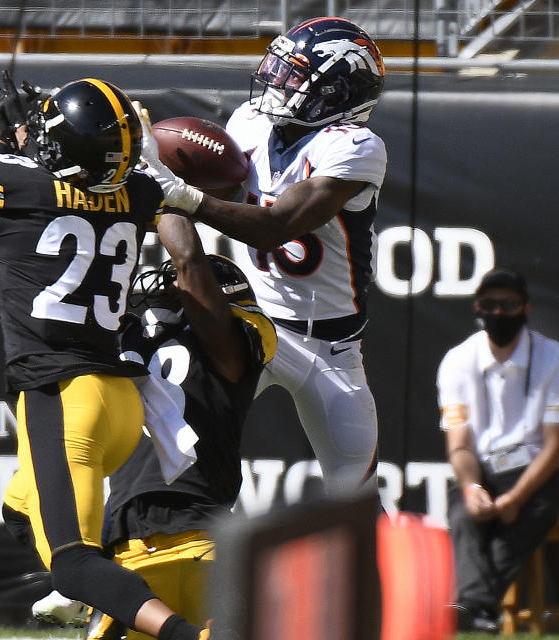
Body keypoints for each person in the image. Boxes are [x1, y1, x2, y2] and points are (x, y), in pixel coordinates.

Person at [0, 72, 208, 640]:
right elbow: (77, 186)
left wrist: (4, 142)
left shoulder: (7, 181)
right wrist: (33, 143)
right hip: (119, 404)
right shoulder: (142, 193)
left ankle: (188, 636)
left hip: (64, 400)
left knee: (72, 564)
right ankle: (110, 596)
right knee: (23, 511)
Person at [138, 17, 388, 495]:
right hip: (255, 326)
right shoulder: (250, 123)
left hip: (332, 348)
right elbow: (225, 197)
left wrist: (181, 193)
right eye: (279, 68)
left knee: (355, 500)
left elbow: (276, 227)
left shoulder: (356, 148)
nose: (277, 81)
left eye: (293, 74)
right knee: (180, 444)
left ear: (335, 92)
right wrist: (157, 164)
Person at [5, 213, 276, 639]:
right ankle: (80, 578)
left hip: (151, 560)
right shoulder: (202, 351)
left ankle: (79, 581)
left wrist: (167, 197)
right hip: (196, 550)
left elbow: (188, 262)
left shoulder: (224, 344)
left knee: (25, 505)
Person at [435, 268, 559, 632]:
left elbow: (555, 445)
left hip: (539, 472)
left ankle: (470, 608)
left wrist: (515, 498)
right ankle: (476, 611)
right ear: (477, 308)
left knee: (517, 525)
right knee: (464, 513)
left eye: (508, 304)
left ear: (525, 308)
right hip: (483, 469)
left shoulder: (553, 356)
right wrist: (471, 488)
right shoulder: (457, 361)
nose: (498, 313)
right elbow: (460, 445)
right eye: (489, 304)